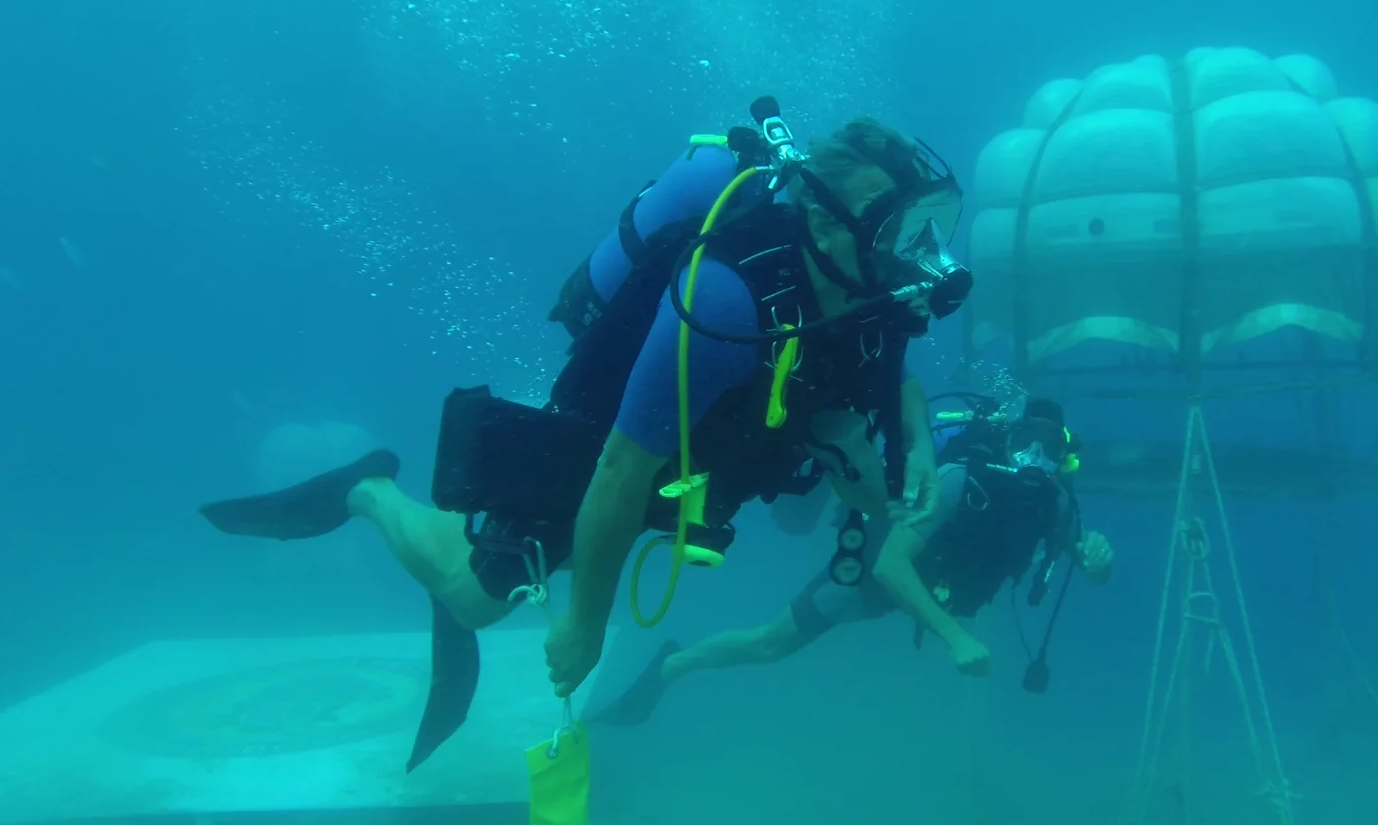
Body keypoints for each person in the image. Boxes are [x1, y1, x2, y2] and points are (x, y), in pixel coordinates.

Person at [196, 98, 975, 769]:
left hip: (729, 431)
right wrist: (586, 626)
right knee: (475, 601)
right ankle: (367, 489)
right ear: (824, 224)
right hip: (621, 430)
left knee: (880, 494)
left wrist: (919, 443)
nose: (923, 257)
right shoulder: (730, 299)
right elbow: (619, 473)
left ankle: (454, 535)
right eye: (899, 232)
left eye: (928, 229)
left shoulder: (878, 280)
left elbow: (889, 362)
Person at [590, 395, 1116, 726]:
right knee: (773, 643)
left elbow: (1088, 561)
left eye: (1051, 449)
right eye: (1028, 443)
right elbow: (890, 566)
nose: (1036, 460)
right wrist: (954, 637)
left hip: (931, 594)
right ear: (1008, 440)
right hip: (875, 578)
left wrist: (1099, 559)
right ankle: (670, 667)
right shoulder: (962, 482)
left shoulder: (1058, 505)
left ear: (1066, 457)